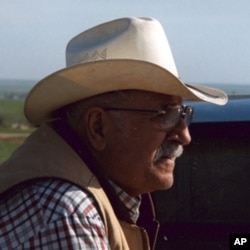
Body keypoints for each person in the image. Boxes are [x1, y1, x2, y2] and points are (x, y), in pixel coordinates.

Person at [0, 17, 227, 249]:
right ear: (98, 127)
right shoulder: (69, 214)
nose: (184, 135)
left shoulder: (78, 198)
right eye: (165, 113)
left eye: (182, 113)